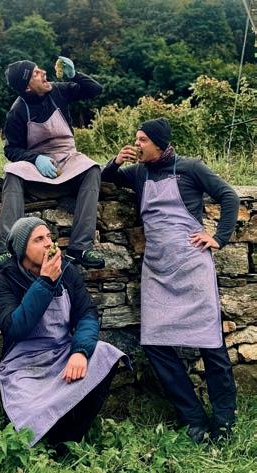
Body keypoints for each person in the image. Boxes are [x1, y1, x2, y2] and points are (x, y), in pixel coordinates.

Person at [101, 118, 239, 443]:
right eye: (136, 139)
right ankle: (193, 418)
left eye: (143, 140)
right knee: (154, 343)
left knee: (211, 344)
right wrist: (115, 162)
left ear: (159, 143)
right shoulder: (139, 173)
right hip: (157, 270)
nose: (137, 144)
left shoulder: (190, 168)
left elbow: (229, 196)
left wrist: (219, 237)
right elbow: (106, 178)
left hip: (192, 267)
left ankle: (224, 422)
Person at [0, 217, 126, 446]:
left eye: (49, 237)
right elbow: (15, 328)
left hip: (62, 352)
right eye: (38, 239)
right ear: (22, 250)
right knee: (30, 413)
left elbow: (87, 314)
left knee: (104, 353)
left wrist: (80, 351)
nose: (48, 243)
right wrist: (45, 282)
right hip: (24, 362)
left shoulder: (67, 271)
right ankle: (47, 439)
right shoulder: (3, 282)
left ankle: (69, 438)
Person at [0, 57, 105, 270]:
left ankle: (80, 248)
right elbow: (11, 150)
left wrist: (75, 76)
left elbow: (95, 90)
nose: (43, 72)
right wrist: (36, 159)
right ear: (27, 87)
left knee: (92, 168)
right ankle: (7, 250)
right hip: (37, 165)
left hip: (68, 157)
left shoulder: (58, 91)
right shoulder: (17, 111)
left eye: (39, 69)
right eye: (35, 73)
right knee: (13, 172)